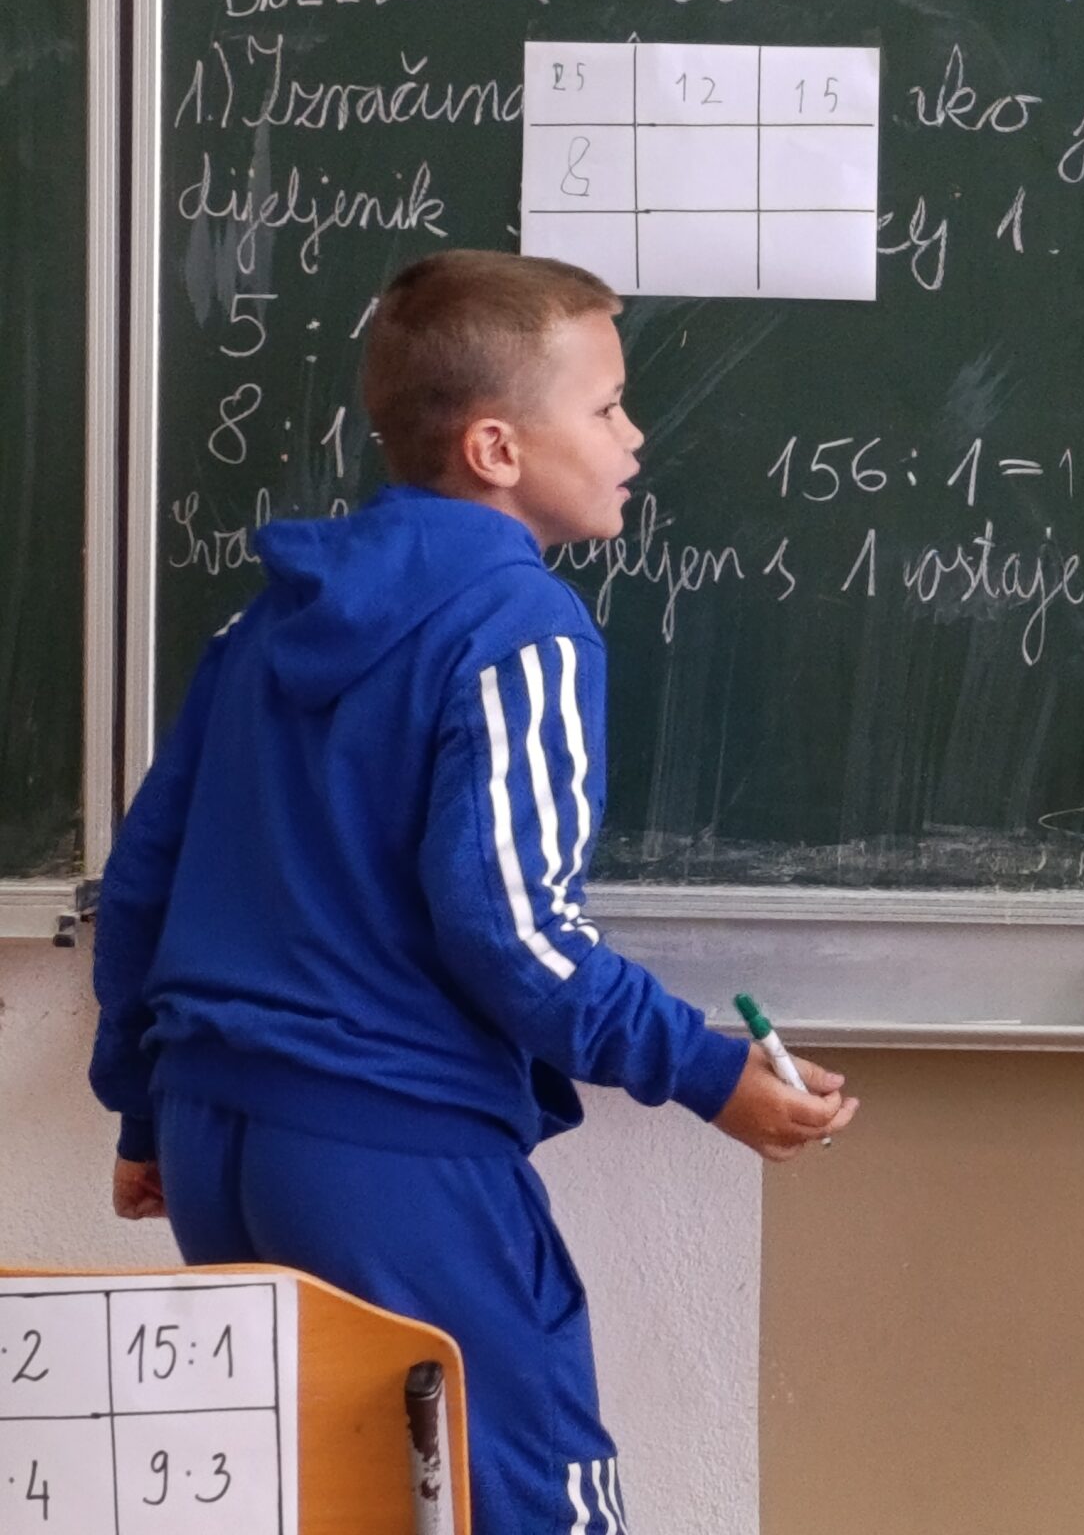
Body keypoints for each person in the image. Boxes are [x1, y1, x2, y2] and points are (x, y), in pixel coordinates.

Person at [90, 249, 856, 1532]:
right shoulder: (521, 628)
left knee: (325, 1501)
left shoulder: (261, 624)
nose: (635, 434)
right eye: (606, 406)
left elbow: (142, 885)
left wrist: (141, 1107)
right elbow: (509, 928)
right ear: (497, 447)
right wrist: (706, 1070)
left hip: (214, 1129)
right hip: (388, 1149)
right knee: (530, 1493)